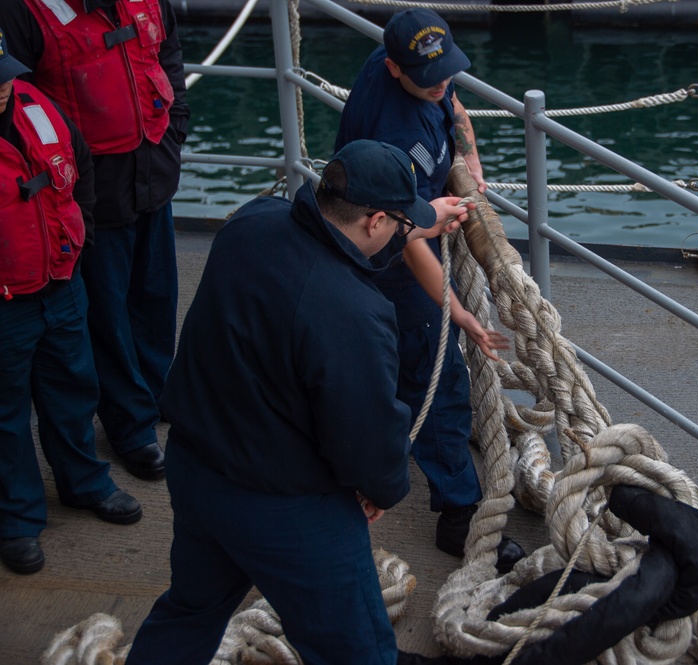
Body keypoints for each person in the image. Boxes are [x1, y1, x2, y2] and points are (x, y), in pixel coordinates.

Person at [124, 140, 476, 664]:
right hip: (286, 508)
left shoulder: (251, 222)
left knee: (190, 610)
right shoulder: (355, 312)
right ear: (376, 221)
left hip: (196, 469)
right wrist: (382, 487)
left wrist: (422, 222)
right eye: (403, 228)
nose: (405, 236)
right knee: (358, 651)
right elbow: (367, 437)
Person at [335, 7, 525, 572]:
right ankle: (460, 516)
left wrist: (468, 164)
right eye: (427, 75)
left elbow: (454, 105)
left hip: (410, 224)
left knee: (410, 374)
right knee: (436, 380)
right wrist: (459, 313)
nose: (441, 81)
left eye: (448, 68)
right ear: (393, 69)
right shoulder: (394, 135)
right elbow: (402, 235)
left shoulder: (419, 67)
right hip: (392, 254)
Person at [0, 0, 190, 481]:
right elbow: (14, 102)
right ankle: (132, 428)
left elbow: (168, 52)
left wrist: (175, 129)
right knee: (106, 319)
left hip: (154, 176)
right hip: (91, 194)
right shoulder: (21, 11)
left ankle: (155, 393)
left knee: (156, 299)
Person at [0, 29, 142, 576]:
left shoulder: (39, 107)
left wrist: (72, 249)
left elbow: (78, 175)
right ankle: (16, 519)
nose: (4, 89)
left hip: (59, 284)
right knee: (6, 414)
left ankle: (84, 484)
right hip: (6, 303)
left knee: (72, 389)